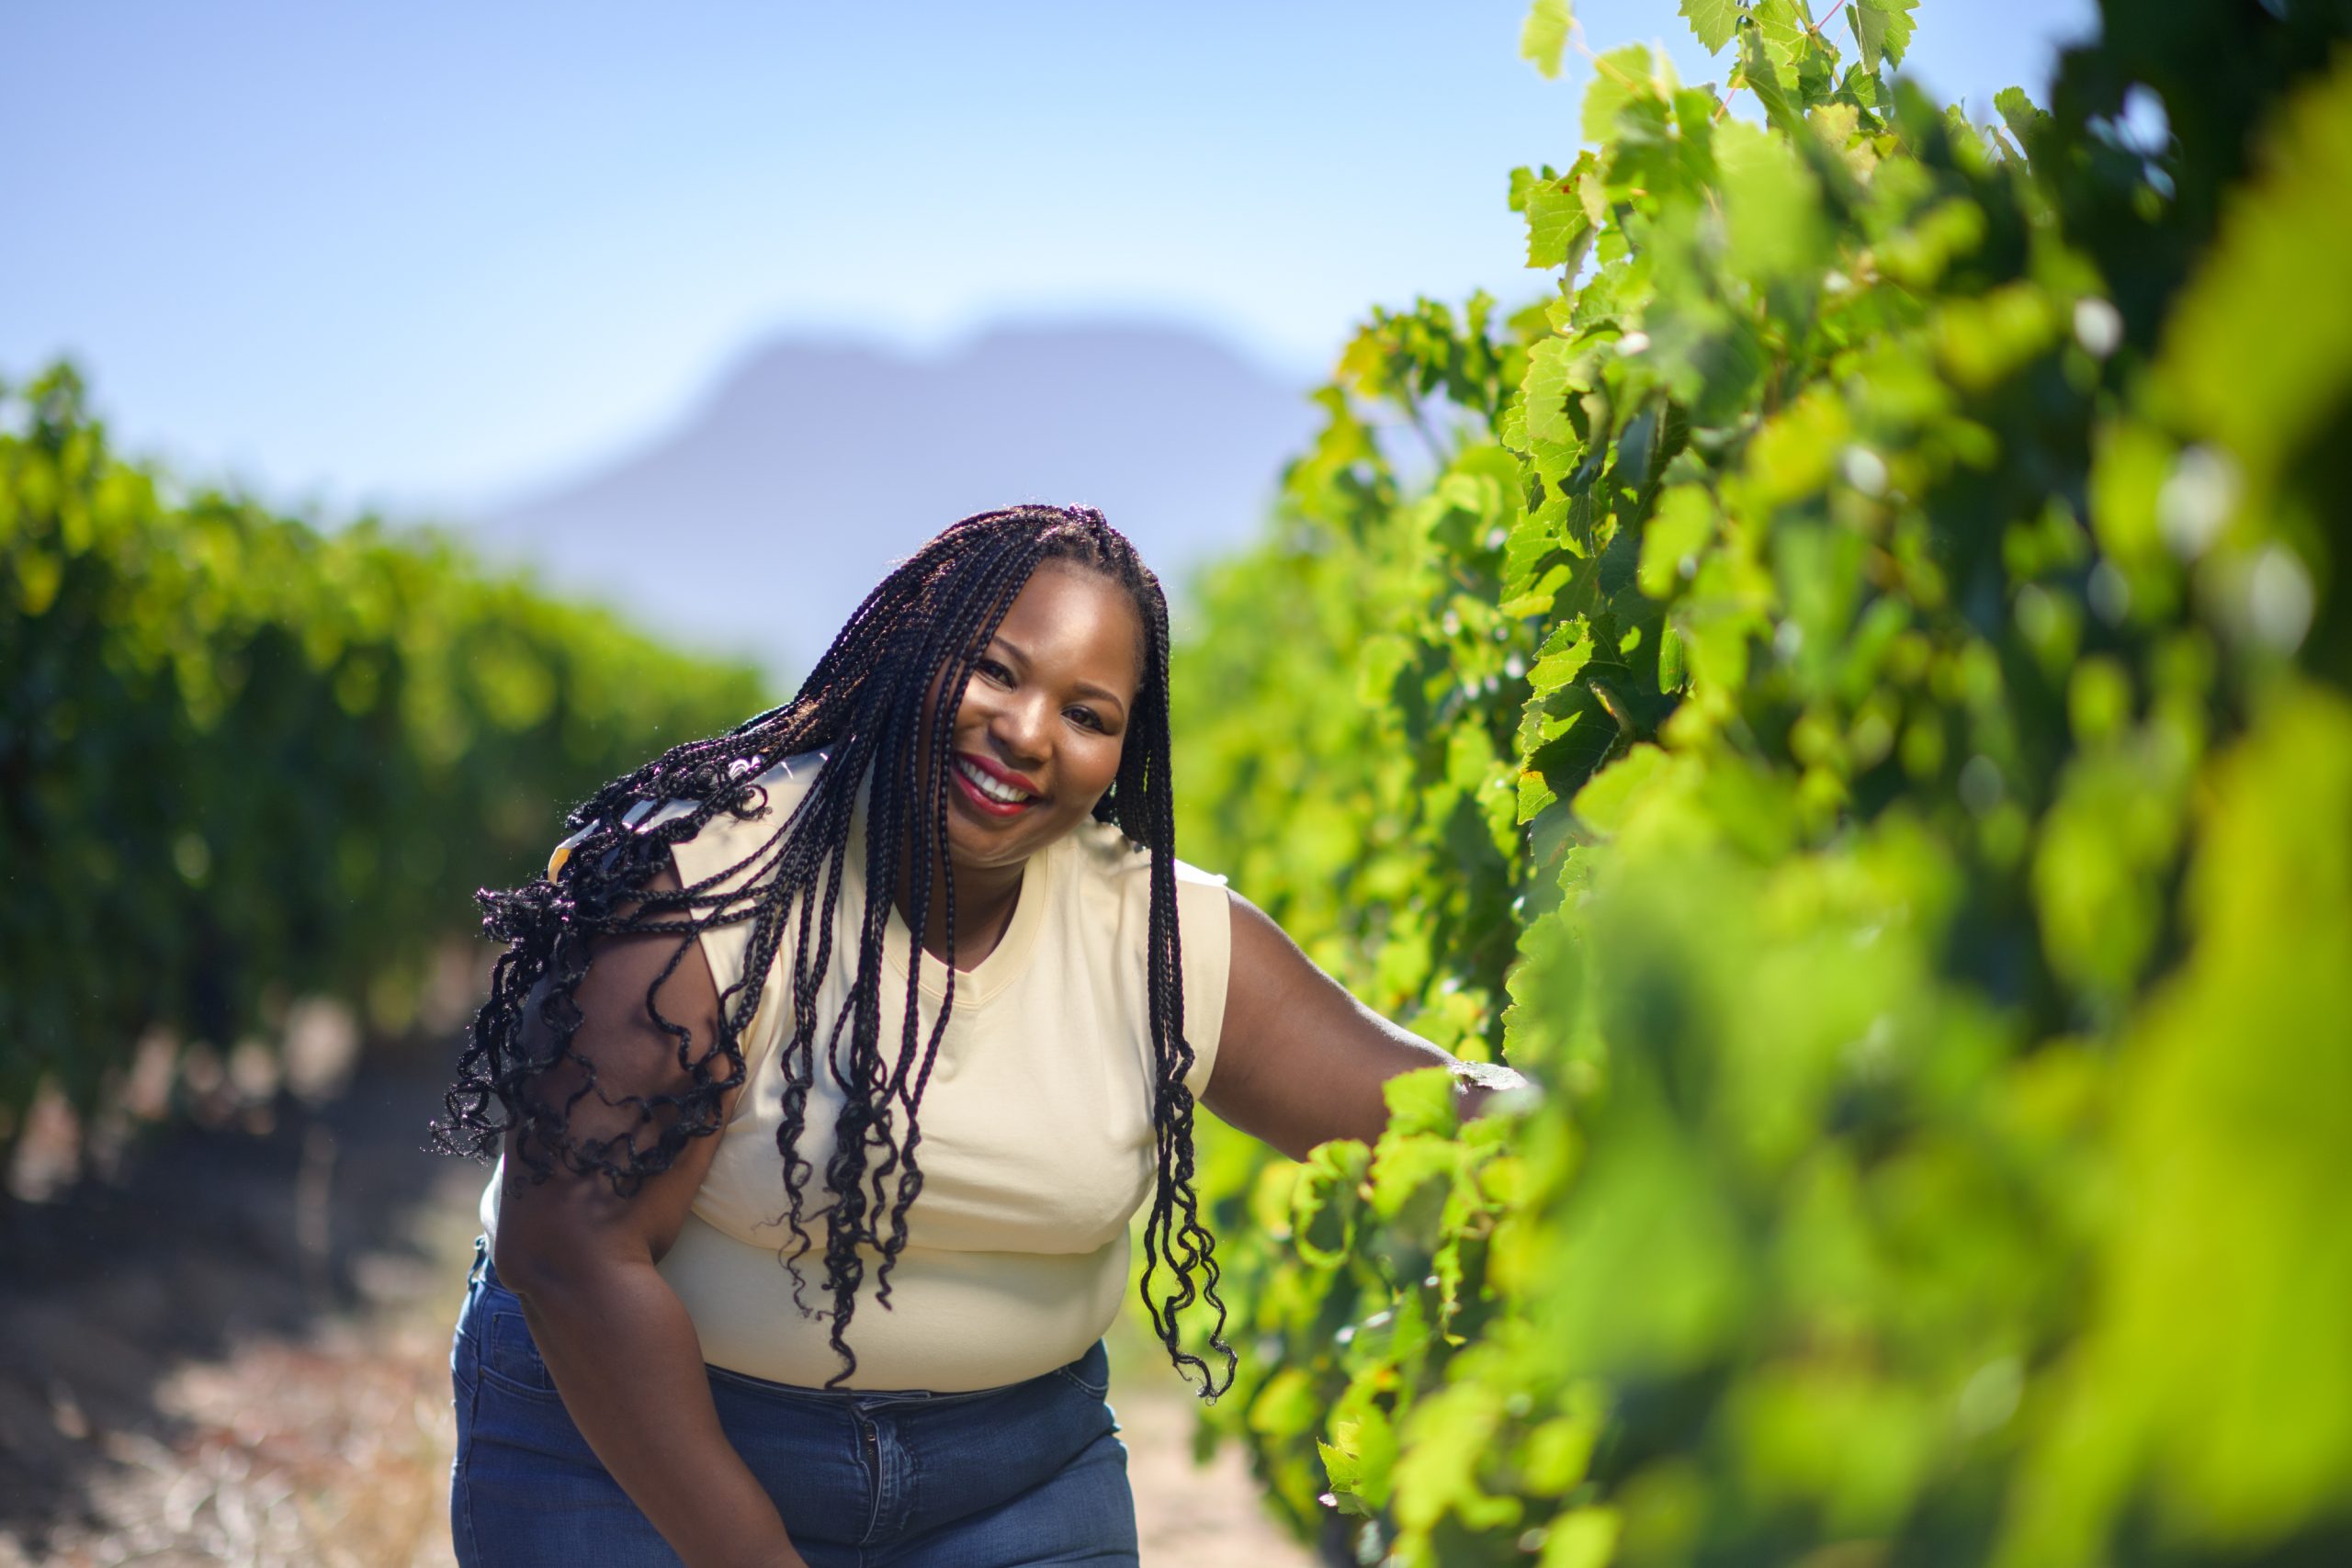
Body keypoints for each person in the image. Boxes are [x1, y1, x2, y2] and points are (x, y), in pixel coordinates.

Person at [433, 505, 1529, 1567]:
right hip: (632, 1453)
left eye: (1088, 715)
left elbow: (1416, 1110)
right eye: (997, 671)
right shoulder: (706, 884)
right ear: (915, 652)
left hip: (1015, 1485)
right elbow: (572, 1252)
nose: (1027, 732)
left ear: (1121, 753)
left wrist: (1616, 1100)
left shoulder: (1158, 936)